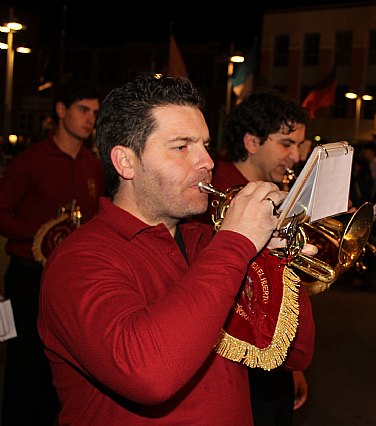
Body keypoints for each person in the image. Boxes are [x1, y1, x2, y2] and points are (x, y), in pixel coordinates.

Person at [36, 76, 315, 425]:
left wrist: (274, 258)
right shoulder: (79, 260)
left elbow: (295, 352)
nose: (207, 162)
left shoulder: (208, 243)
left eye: (205, 145)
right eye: (182, 147)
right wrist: (236, 243)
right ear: (125, 162)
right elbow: (148, 375)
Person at [0, 78, 104, 425]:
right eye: (82, 110)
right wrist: (43, 236)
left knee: (65, 362)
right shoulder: (31, 160)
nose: (90, 119)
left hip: (71, 281)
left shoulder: (93, 165)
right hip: (27, 277)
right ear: (61, 111)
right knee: (23, 362)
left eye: (95, 112)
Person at [206, 89, 312, 426]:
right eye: (285, 143)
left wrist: (291, 365)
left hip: (272, 358)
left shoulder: (280, 194)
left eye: (299, 145)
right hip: (229, 361)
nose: (296, 156)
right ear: (252, 142)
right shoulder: (215, 195)